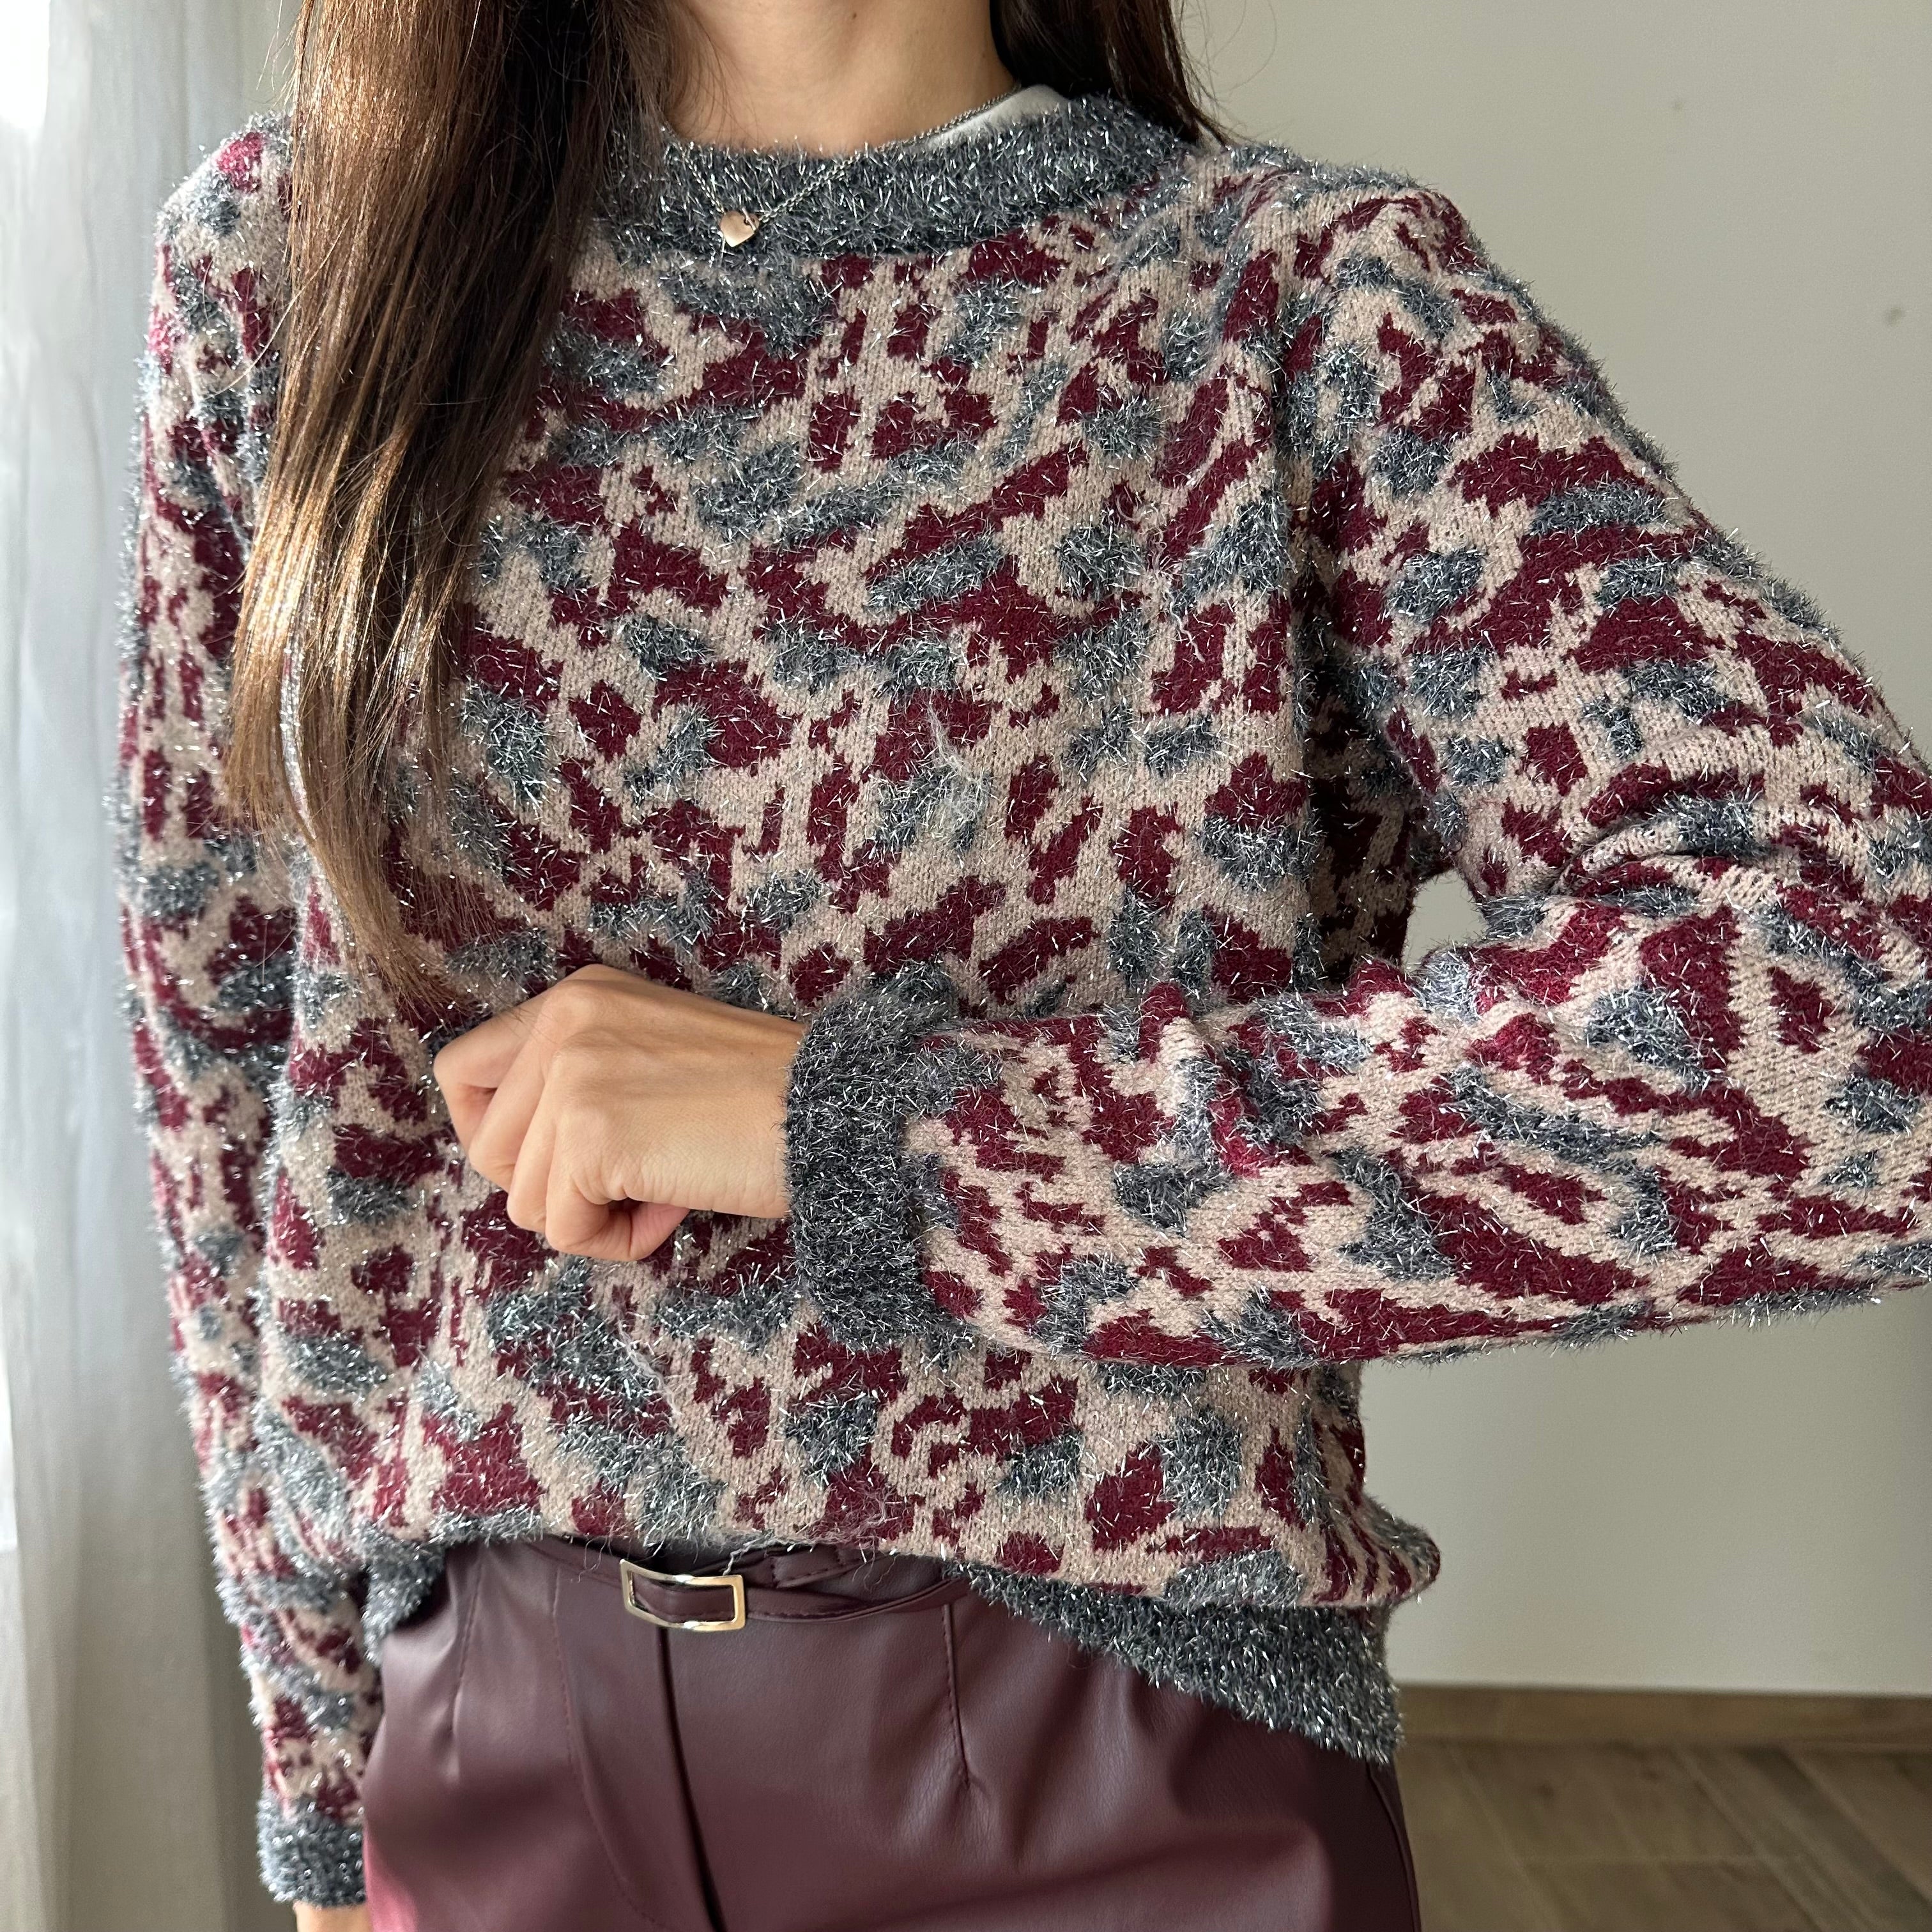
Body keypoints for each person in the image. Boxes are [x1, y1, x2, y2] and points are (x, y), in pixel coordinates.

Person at [113, 0, 1932, 1926]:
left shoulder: (1300, 307)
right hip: (492, 1761)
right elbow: (227, 1060)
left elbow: (1862, 1022)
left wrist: (878, 1136)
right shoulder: (295, 268)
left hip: (1113, 1783)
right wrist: (322, 1777)